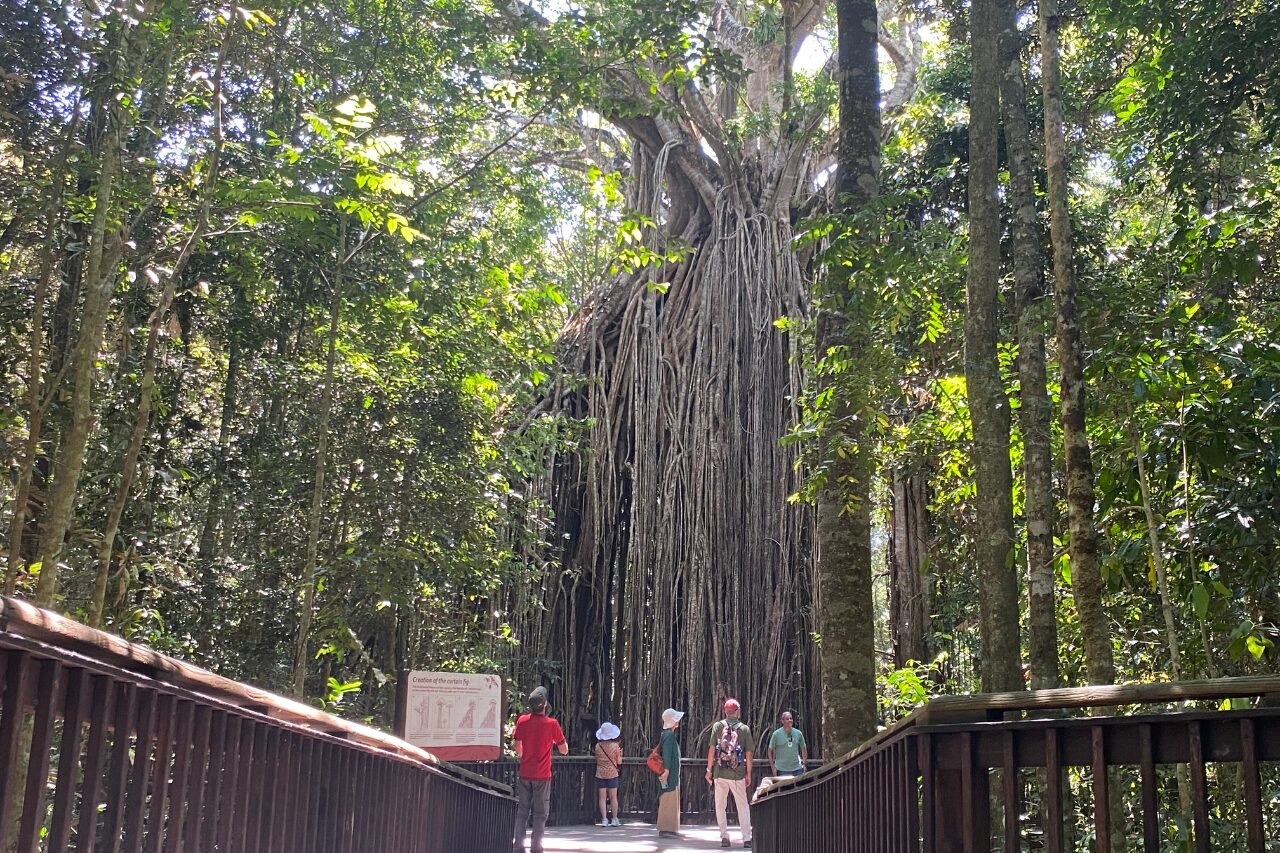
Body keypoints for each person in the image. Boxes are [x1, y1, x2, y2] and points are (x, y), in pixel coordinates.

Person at [512, 686, 568, 853]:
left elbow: (518, 747)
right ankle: (536, 849)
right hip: (542, 775)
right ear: (545, 705)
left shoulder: (522, 721)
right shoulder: (552, 724)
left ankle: (518, 847)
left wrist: (526, 756)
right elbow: (564, 750)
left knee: (522, 812)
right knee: (540, 814)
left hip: (525, 773)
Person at [705, 697, 754, 848]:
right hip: (737, 773)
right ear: (737, 711)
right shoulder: (744, 729)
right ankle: (747, 838)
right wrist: (748, 773)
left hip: (720, 772)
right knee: (743, 806)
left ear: (725, 711)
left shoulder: (718, 726)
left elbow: (712, 749)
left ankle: (724, 837)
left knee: (720, 806)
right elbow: (749, 753)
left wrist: (709, 770)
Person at [657, 708, 684, 838]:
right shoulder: (669, 735)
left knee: (672, 799)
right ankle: (665, 829)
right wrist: (666, 771)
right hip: (669, 773)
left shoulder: (667, 734)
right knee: (668, 798)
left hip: (672, 772)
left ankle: (671, 829)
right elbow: (667, 754)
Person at [594, 721, 623, 826]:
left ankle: (604, 819)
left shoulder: (598, 746)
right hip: (612, 774)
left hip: (600, 774)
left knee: (602, 797)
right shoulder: (615, 746)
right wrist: (621, 754)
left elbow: (597, 759)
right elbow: (619, 762)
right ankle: (615, 819)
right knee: (613, 797)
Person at [767, 709, 808, 778]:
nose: (790, 720)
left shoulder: (798, 733)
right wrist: (773, 768)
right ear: (782, 721)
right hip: (781, 770)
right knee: (784, 788)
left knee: (799, 788)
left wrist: (804, 764)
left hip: (797, 769)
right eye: (787, 719)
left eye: (791, 718)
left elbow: (803, 748)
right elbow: (769, 751)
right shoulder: (776, 734)